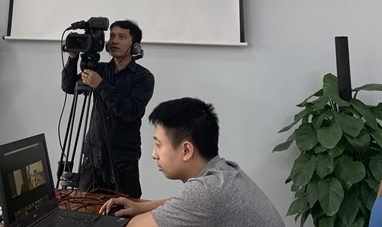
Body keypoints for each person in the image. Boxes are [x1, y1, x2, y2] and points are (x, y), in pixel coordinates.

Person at [100, 97, 285, 227]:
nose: (154, 154)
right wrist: (141, 207)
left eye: (158, 144)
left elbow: (134, 226)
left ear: (186, 150)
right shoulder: (223, 172)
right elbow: (186, 203)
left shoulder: (205, 192)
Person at [61, 20, 155, 198]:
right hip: (92, 158)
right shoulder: (99, 70)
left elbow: (131, 112)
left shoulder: (143, 77)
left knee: (124, 210)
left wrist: (101, 85)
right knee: (82, 207)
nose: (115, 41)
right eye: (112, 36)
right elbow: (69, 87)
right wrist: (73, 59)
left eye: (122, 37)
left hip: (123, 161)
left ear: (135, 45)